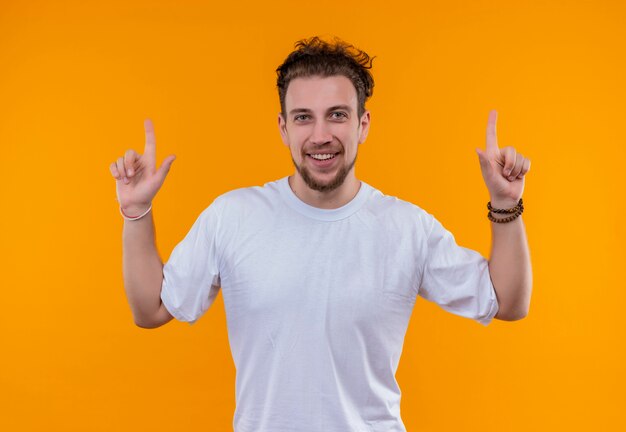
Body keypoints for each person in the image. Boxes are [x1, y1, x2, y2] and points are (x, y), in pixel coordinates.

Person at [109, 36, 532, 432]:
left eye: (337, 115)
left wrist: (505, 204)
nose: (320, 136)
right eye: (303, 118)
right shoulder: (232, 217)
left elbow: (508, 301)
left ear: (363, 124)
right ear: (283, 128)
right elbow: (151, 310)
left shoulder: (406, 227)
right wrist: (135, 210)